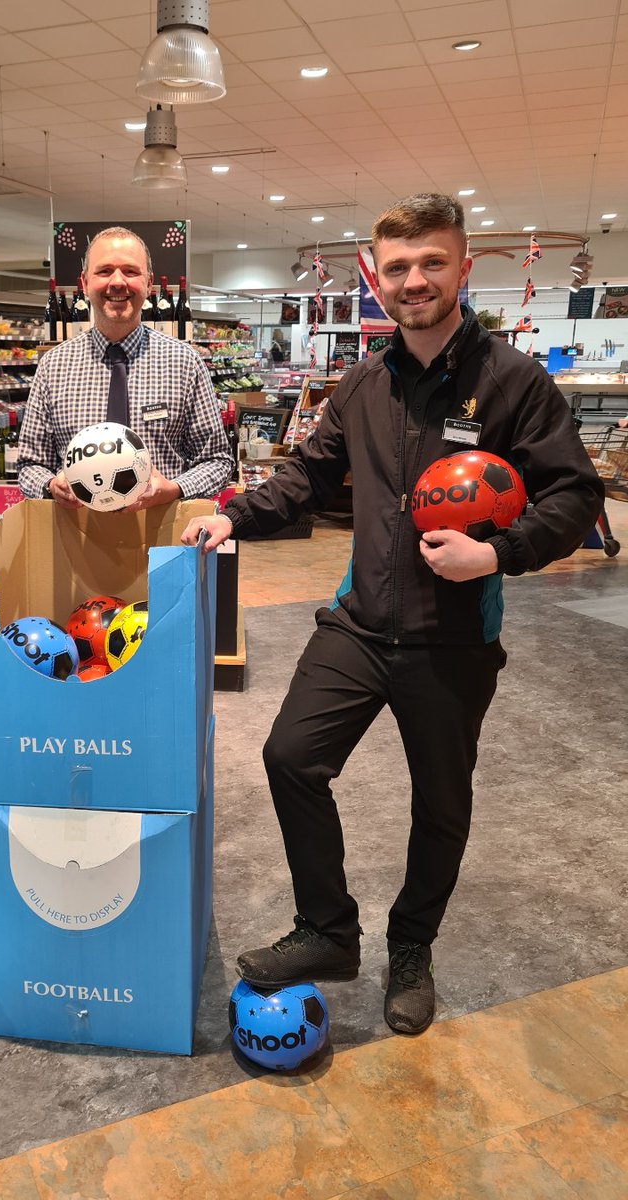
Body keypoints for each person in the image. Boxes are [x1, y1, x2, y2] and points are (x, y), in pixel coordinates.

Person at [182, 193, 604, 1035]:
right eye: (399, 267)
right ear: (376, 276)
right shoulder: (363, 381)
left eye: (432, 264)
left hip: (453, 637)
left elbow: (573, 493)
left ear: (463, 269)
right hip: (359, 621)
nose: (414, 281)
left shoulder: (512, 382)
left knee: (440, 803)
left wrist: (497, 553)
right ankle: (329, 931)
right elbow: (307, 476)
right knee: (291, 758)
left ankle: (412, 947)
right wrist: (235, 514)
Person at [17, 226, 232, 508]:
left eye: (130, 271)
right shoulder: (53, 366)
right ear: (84, 282)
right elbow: (29, 465)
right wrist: (50, 486)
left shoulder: (185, 363)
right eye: (104, 271)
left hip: (162, 541)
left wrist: (174, 488)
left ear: (149, 283)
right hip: (77, 540)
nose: (117, 282)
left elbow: (217, 461)